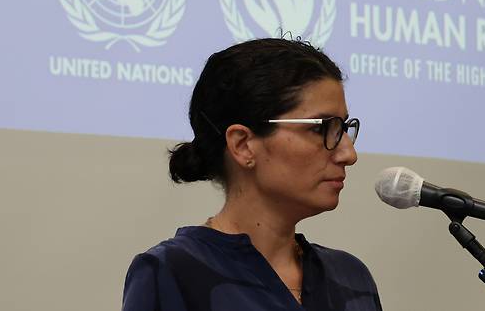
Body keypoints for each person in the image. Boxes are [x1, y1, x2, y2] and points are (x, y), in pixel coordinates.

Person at [122, 37, 382, 311]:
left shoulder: (351, 277)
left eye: (343, 128)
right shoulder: (173, 272)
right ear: (242, 145)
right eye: (321, 128)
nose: (348, 154)